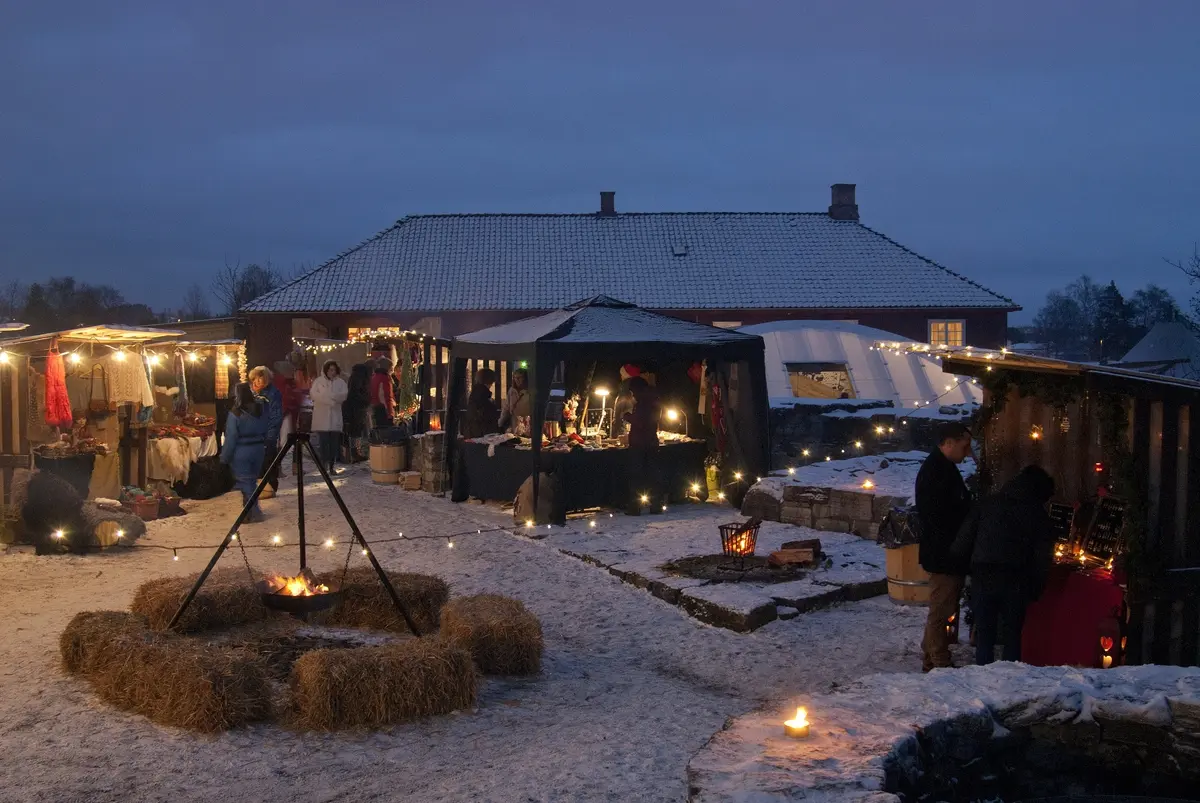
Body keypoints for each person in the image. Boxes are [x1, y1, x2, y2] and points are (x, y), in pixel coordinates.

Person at [952, 465, 1056, 665]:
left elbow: (963, 541)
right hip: (1016, 579)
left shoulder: (987, 504)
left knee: (985, 635)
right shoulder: (1038, 514)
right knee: (1012, 636)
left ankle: (983, 678)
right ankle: (1010, 683)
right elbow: (1042, 557)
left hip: (983, 575)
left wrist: (965, 569)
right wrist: (1036, 588)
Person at [914, 421, 974, 672]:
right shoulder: (937, 471)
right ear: (948, 443)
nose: (968, 451)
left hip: (946, 551)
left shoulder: (943, 467)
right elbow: (940, 516)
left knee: (943, 606)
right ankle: (937, 659)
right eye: (965, 445)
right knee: (942, 608)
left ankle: (932, 655)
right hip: (944, 552)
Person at [220, 382, 269, 522]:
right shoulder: (261, 409)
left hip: (242, 450)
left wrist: (224, 458)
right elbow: (267, 427)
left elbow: (231, 437)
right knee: (252, 480)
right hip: (258, 449)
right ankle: (250, 512)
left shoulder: (235, 413)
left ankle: (253, 512)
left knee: (246, 482)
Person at [623, 376, 662, 515]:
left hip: (640, 443)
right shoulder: (654, 400)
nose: (632, 395)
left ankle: (635, 507)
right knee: (653, 475)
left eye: (633, 392)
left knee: (637, 475)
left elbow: (641, 422)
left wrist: (628, 417)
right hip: (651, 442)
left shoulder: (642, 403)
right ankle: (656, 505)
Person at [310, 360, 349, 474]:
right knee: (323, 443)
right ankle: (323, 465)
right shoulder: (318, 381)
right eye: (330, 369)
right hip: (322, 417)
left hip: (335, 417)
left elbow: (343, 395)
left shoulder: (340, 382)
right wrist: (329, 400)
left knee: (334, 444)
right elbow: (314, 395)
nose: (332, 372)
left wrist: (331, 396)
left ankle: (331, 466)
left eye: (334, 370)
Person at [249, 365, 282, 499]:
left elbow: (276, 415)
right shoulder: (252, 393)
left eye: (260, 378)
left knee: (268, 461)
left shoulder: (273, 393)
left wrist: (270, 434)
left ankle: (269, 488)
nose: (257, 381)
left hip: (267, 434)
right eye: (255, 379)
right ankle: (257, 488)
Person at [342, 363, 373, 462]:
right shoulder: (359, 378)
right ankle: (355, 453)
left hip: (353, 408)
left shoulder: (354, 377)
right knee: (356, 431)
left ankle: (354, 453)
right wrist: (366, 400)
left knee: (354, 432)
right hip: (356, 409)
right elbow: (356, 393)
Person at [461, 368, 501, 438]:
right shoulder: (483, 394)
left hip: (473, 431)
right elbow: (486, 413)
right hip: (482, 432)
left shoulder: (475, 392)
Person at [498, 367, 531, 432]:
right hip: (514, 423)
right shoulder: (512, 391)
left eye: (520, 377)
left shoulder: (530, 392)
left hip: (527, 423)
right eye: (515, 377)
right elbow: (506, 407)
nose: (517, 380)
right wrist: (500, 422)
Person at [370, 359, 395, 429]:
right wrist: (390, 412)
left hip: (376, 408)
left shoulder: (374, 377)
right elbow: (386, 396)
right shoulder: (385, 378)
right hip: (383, 410)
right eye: (391, 367)